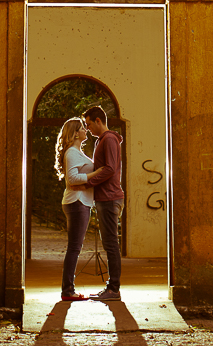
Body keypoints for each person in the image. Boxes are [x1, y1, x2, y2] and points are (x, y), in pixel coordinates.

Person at [82, 105, 124, 301]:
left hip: (109, 197)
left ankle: (113, 289)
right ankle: (111, 287)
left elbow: (109, 169)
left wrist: (87, 183)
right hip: (106, 198)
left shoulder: (108, 140)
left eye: (89, 124)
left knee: (111, 244)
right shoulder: (104, 140)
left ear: (98, 121)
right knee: (110, 243)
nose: (87, 128)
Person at [55, 117, 94, 302]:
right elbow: (72, 179)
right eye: (82, 128)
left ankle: (68, 289)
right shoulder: (71, 152)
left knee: (74, 247)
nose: (86, 130)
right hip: (76, 203)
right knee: (74, 248)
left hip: (80, 201)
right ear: (76, 133)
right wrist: (95, 174)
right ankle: (67, 290)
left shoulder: (77, 152)